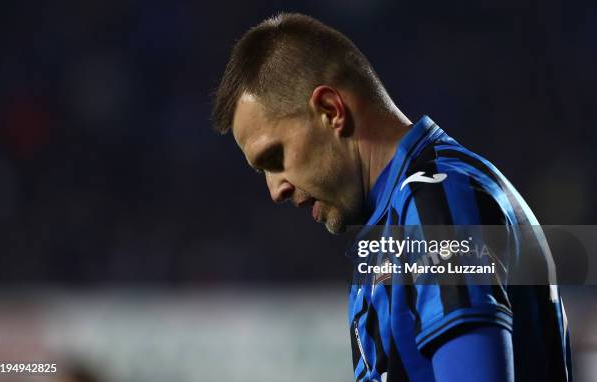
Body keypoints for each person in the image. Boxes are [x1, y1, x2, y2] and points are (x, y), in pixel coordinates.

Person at [212, 13, 572, 382]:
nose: (276, 190)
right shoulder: (395, 225)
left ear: (331, 111)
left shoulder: (439, 204)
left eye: (275, 157)